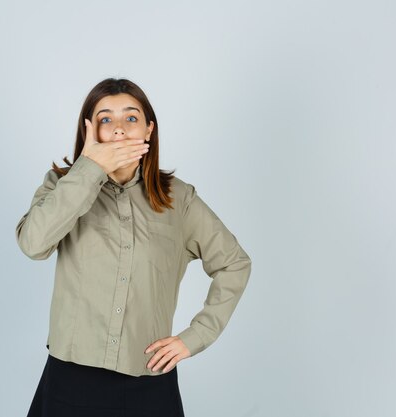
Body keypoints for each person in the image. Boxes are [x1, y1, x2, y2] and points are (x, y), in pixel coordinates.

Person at [15, 78, 252, 417]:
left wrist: (195, 336)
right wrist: (89, 168)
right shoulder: (61, 186)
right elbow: (33, 245)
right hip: (71, 379)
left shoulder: (178, 199)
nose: (119, 129)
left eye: (131, 117)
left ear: (149, 129)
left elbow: (234, 263)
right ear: (88, 131)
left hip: (149, 382)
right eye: (105, 119)